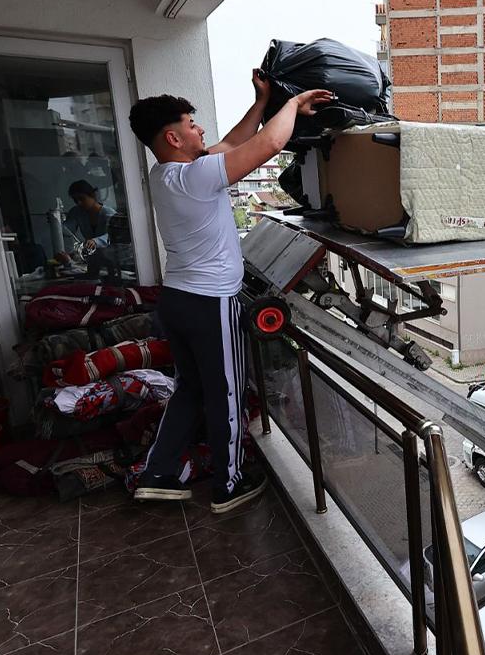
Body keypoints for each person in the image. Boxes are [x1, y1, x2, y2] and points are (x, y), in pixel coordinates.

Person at [128, 71, 332, 513]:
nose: (200, 129)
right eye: (191, 124)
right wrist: (292, 106)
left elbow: (231, 146)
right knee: (225, 392)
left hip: (178, 299)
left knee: (190, 389)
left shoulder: (164, 174)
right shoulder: (196, 177)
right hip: (209, 303)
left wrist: (260, 105)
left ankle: (158, 473)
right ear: (173, 137)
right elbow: (268, 146)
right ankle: (229, 485)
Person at [60, 180, 116, 256]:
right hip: (92, 257)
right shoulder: (76, 212)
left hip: (111, 256)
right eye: (75, 200)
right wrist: (56, 223)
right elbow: (67, 230)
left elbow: (114, 235)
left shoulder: (109, 214)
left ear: (93, 195)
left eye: (82, 198)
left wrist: (96, 241)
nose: (79, 203)